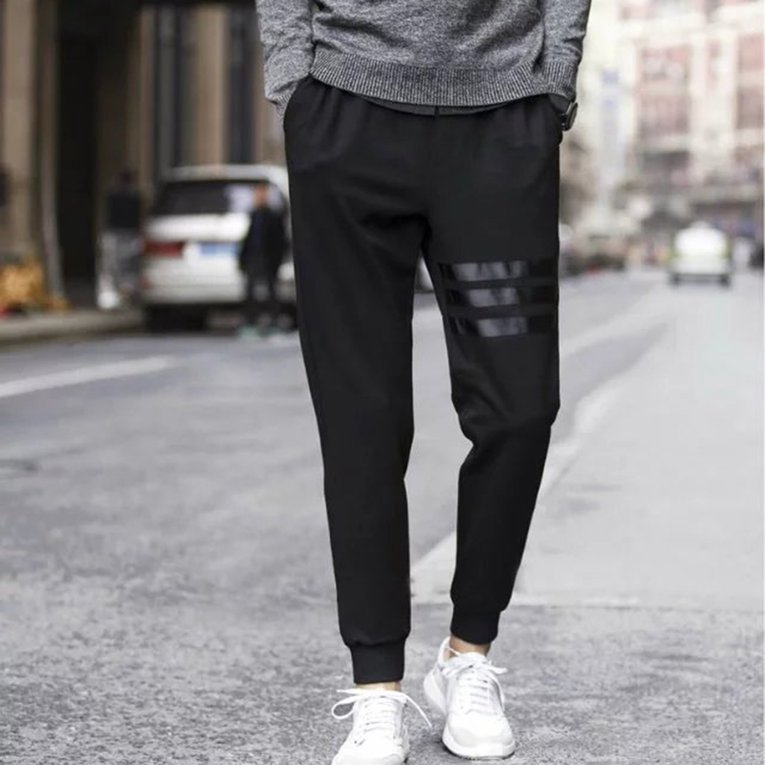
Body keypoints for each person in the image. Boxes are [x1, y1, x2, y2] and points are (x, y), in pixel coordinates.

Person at [255, 1, 592, 762]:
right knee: (361, 421)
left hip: (503, 118)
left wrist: (554, 82)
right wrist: (293, 81)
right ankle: (376, 689)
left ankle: (467, 655)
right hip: (344, 113)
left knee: (519, 408)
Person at [237, 182, 288, 335]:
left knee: (272, 290)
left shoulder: (274, 215)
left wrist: (278, 259)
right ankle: (250, 321)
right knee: (250, 290)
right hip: (254, 256)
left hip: (269, 258)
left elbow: (281, 240)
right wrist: (242, 259)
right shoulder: (254, 214)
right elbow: (248, 238)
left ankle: (274, 320)